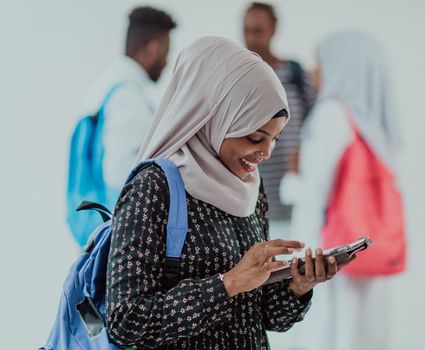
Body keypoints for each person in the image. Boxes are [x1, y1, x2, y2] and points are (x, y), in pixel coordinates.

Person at [104, 37, 355, 350]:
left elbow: (263, 315)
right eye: (254, 137)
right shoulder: (153, 188)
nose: (265, 153)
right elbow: (125, 321)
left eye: (274, 140)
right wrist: (227, 284)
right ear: (212, 117)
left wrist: (299, 286)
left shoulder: (250, 186)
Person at [280, 31, 405, 350]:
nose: (313, 72)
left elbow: (313, 192)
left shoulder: (332, 114)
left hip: (329, 248)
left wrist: (289, 179)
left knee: (328, 330)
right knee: (359, 331)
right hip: (363, 249)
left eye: (320, 63)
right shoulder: (372, 123)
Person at [81, 6, 176, 191]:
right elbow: (119, 173)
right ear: (152, 49)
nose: (166, 62)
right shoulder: (127, 96)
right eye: (166, 52)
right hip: (114, 216)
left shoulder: (106, 85)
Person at [243, 2, 316, 238]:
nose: (250, 38)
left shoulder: (295, 75)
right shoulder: (239, 77)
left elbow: (314, 128)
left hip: (294, 200)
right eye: (246, 30)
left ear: (273, 30)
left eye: (258, 30)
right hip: (250, 201)